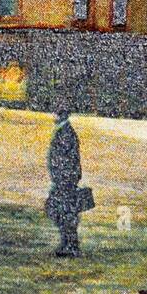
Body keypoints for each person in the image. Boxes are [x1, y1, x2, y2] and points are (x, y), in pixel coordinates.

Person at [45, 106, 91, 258]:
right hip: (64, 178)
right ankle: (68, 244)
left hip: (65, 179)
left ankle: (70, 245)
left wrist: (61, 178)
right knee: (63, 212)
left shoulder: (65, 132)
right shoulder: (64, 130)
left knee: (64, 212)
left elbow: (64, 158)